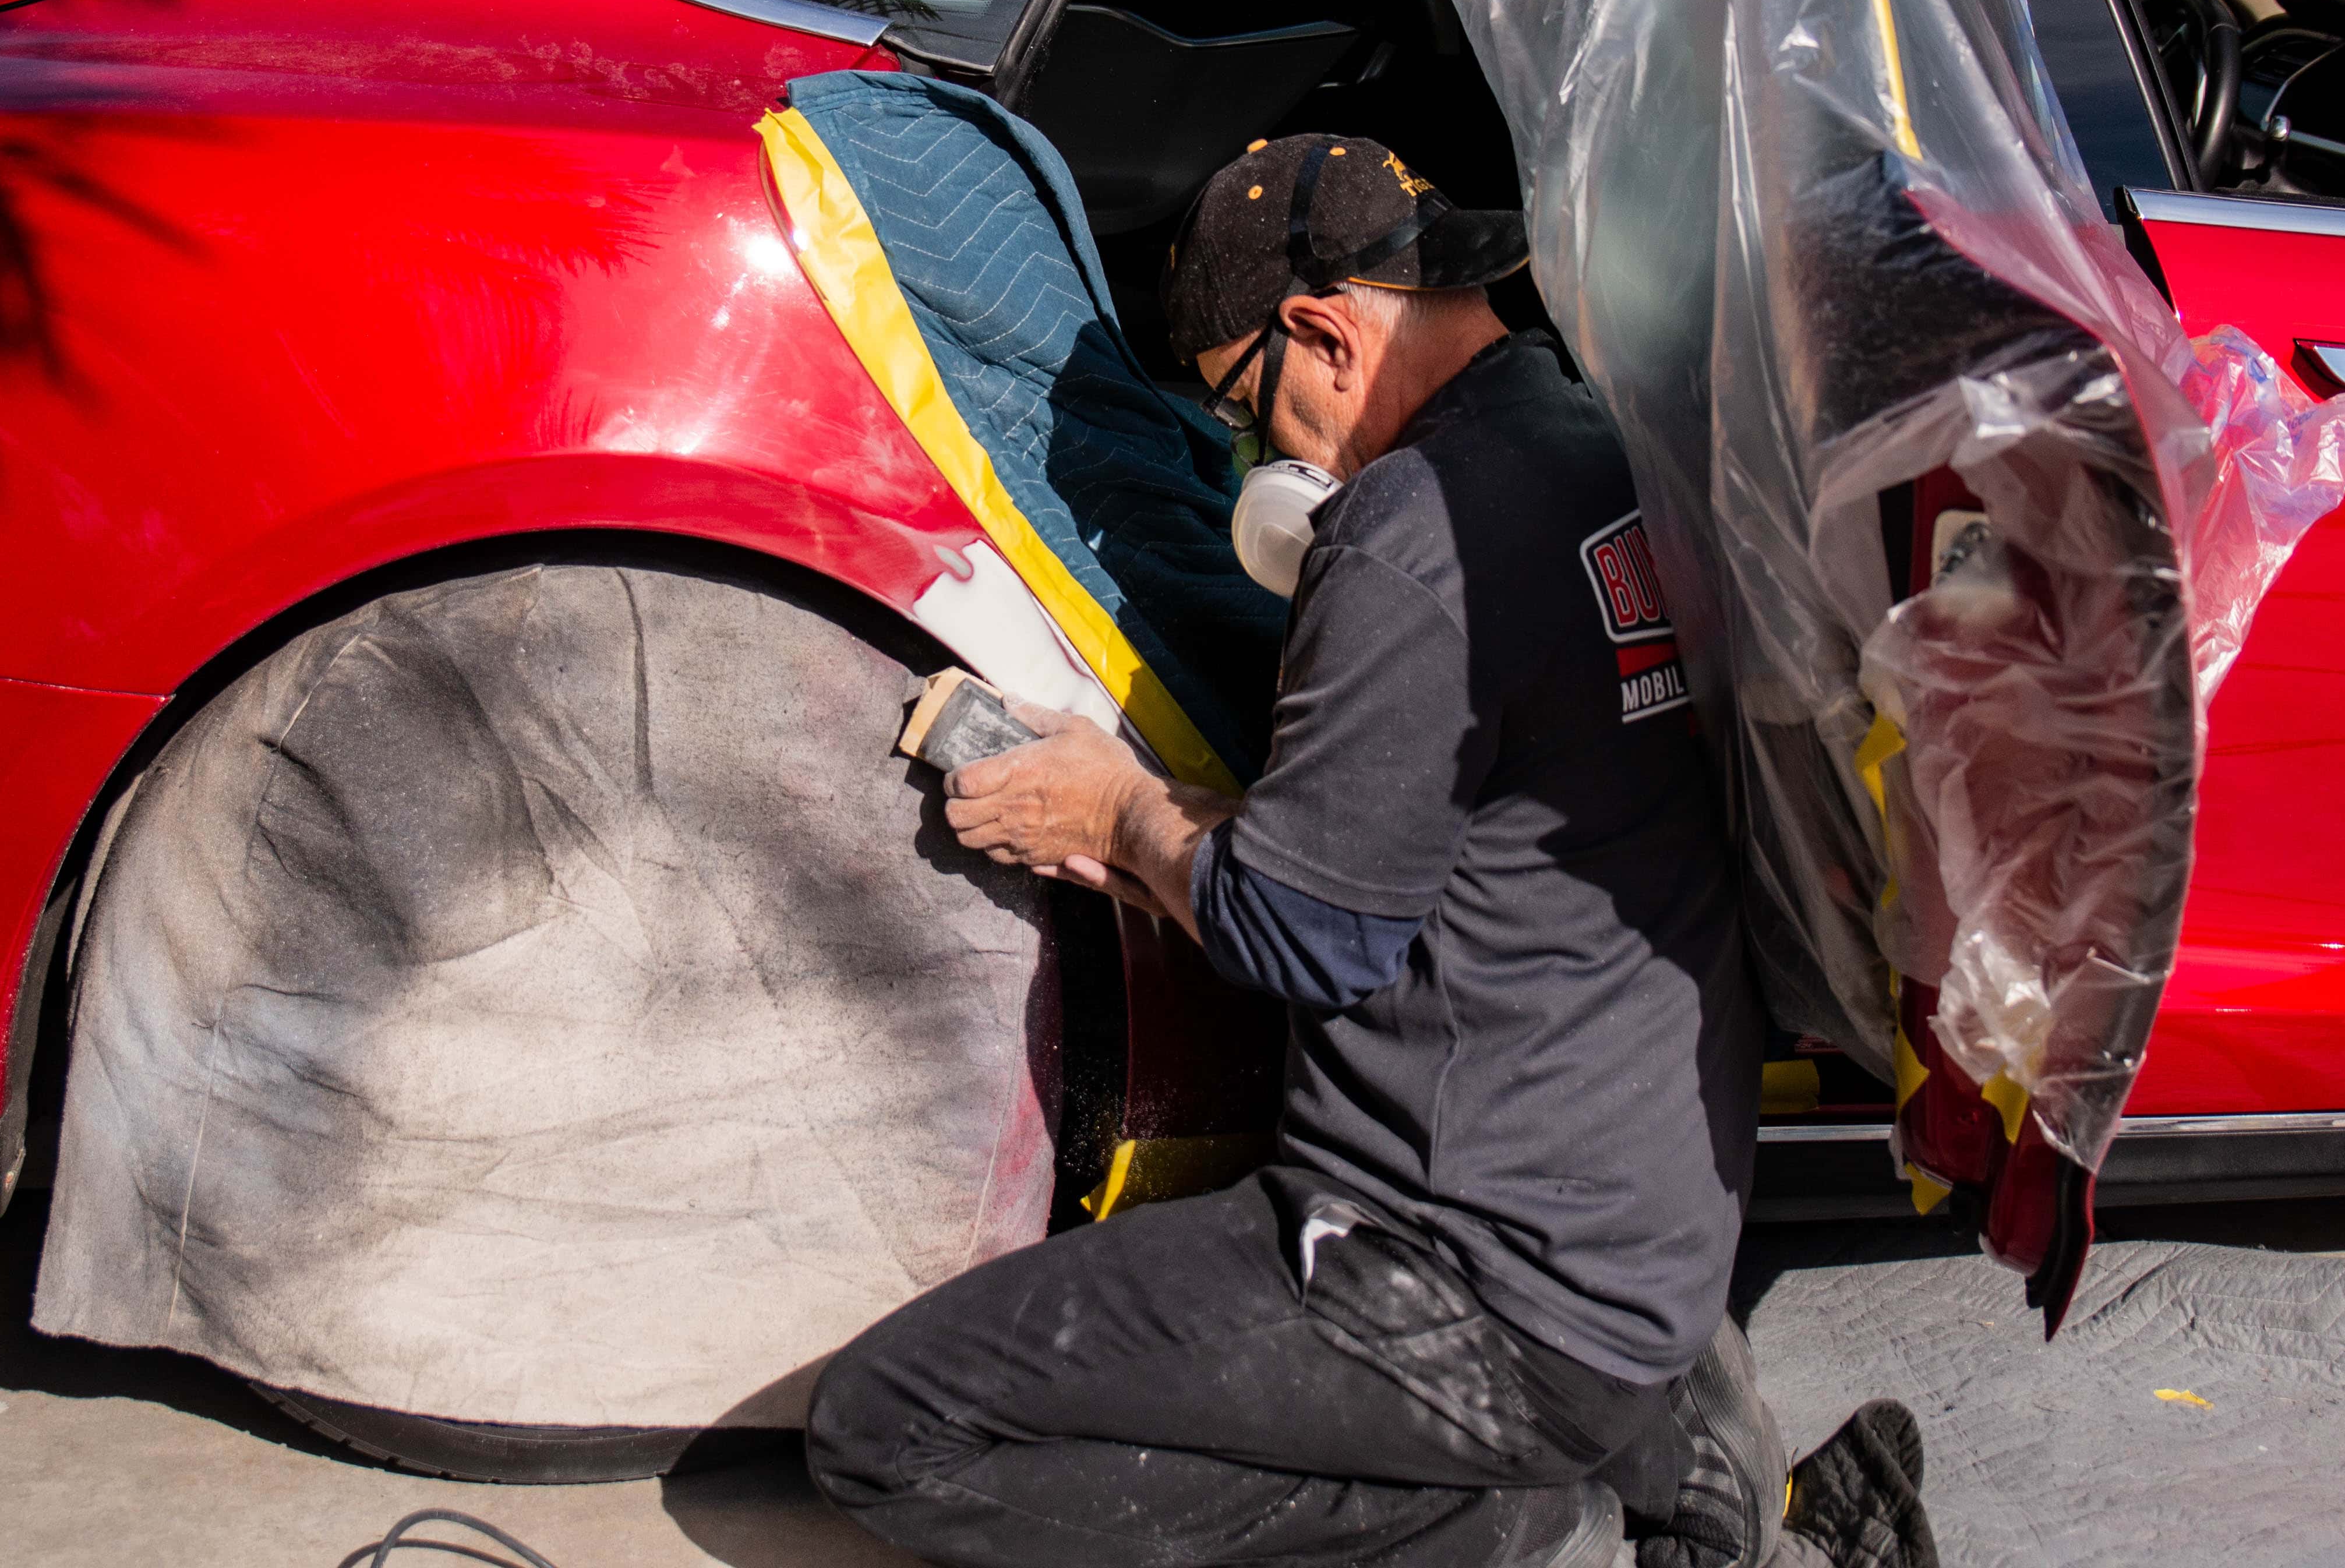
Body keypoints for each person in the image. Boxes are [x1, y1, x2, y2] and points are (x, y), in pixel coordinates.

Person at [805, 135, 1934, 1568]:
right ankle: (1602, 1457)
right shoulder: (1586, 446)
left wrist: (1117, 815)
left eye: (1240, 410)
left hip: (1469, 1290)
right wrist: (1187, 838)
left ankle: (1520, 1525)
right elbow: (1445, 845)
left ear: (1322, 332)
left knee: (892, 1428)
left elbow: (1305, 936)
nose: (1259, 454)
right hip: (1640, 1259)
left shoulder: (1408, 536)